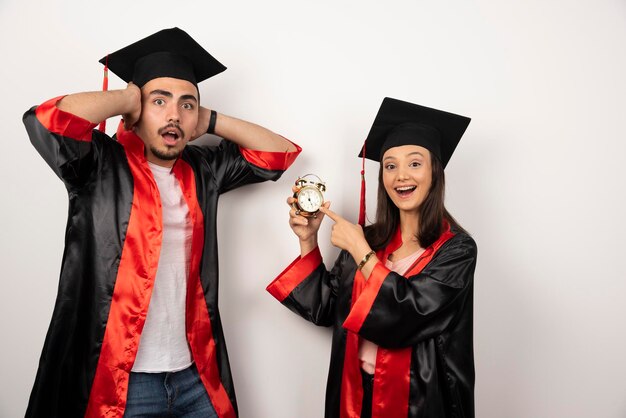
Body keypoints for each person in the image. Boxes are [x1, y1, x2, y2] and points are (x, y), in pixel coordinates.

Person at [22, 27, 300, 418]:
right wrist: (125, 98)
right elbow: (45, 120)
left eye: (186, 104)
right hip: (123, 382)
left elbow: (279, 154)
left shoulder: (203, 170)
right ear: (135, 113)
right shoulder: (97, 164)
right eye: (159, 100)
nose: (174, 115)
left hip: (194, 376)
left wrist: (209, 119)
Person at [267, 97, 476, 418]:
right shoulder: (371, 239)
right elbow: (327, 310)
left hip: (419, 402)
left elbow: (409, 317)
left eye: (415, 163)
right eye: (390, 165)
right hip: (355, 395)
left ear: (435, 172)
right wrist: (308, 239)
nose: (401, 175)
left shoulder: (456, 250)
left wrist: (361, 253)